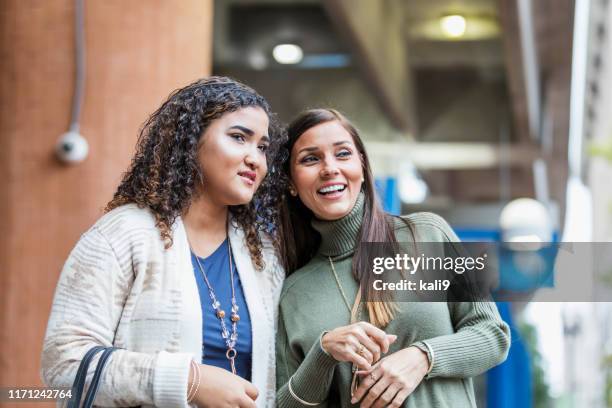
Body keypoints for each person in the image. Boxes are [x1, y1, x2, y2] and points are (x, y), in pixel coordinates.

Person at [41, 77, 286, 408]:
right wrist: (188, 380)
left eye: (261, 146)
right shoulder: (124, 233)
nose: (256, 159)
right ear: (189, 141)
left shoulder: (263, 255)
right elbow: (63, 363)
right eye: (239, 137)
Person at [275, 108, 510, 408]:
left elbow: (492, 335)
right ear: (292, 183)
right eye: (310, 158)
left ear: (361, 165)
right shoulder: (293, 295)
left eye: (343, 153)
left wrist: (423, 357)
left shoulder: (427, 235)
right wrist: (322, 355)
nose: (329, 168)